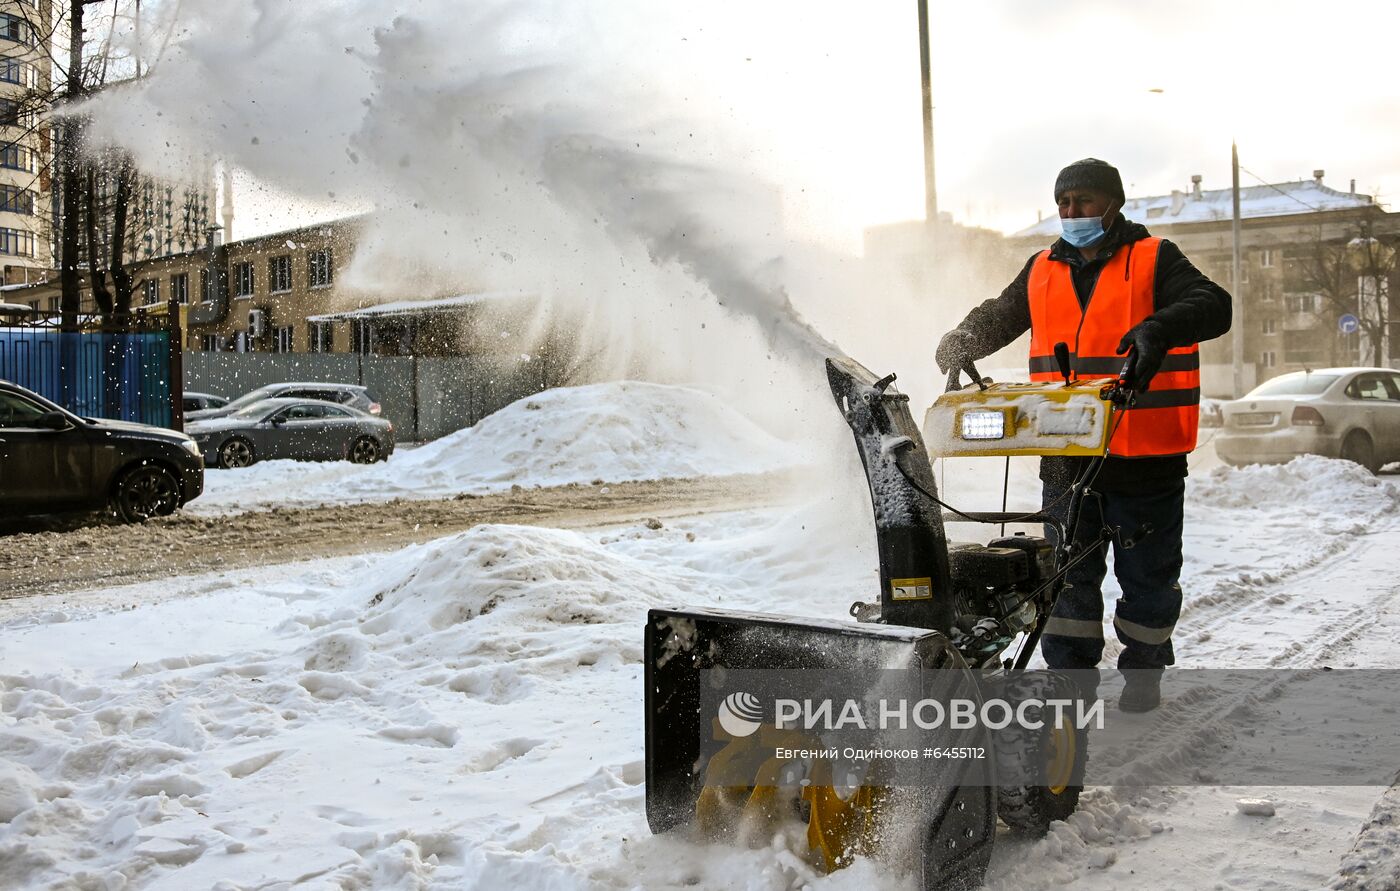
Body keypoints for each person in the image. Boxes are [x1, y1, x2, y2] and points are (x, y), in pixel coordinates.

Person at [935, 158, 1232, 711]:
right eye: (1064, 204)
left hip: (1145, 454)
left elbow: (1214, 306)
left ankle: (1144, 671)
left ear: (1113, 203)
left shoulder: (1153, 259)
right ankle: (1070, 689)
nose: (1072, 213)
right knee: (1066, 578)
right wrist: (963, 338)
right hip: (1067, 454)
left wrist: (1158, 327)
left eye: (1084, 202)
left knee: (1147, 578)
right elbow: (1002, 314)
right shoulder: (1043, 267)